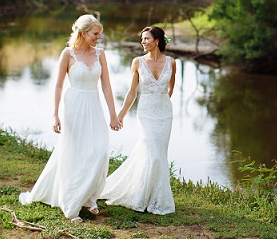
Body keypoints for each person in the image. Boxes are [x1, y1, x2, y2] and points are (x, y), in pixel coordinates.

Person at [19, 14, 121, 222]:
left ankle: (89, 197)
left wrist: (113, 114)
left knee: (99, 152)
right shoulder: (68, 54)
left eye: (99, 34)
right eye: (95, 34)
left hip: (94, 106)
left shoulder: (100, 54)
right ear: (83, 33)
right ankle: (72, 204)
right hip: (74, 106)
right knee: (75, 153)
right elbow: (57, 86)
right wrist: (54, 115)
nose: (98, 38)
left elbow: (107, 86)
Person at [100, 25, 176, 215]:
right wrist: (120, 115)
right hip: (146, 114)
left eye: (146, 39)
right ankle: (140, 195)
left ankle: (156, 197)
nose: (143, 42)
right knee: (152, 152)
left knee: (159, 155)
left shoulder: (172, 62)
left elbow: (170, 88)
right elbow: (132, 92)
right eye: (142, 39)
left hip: (165, 114)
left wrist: (162, 103)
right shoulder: (137, 62)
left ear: (157, 41)